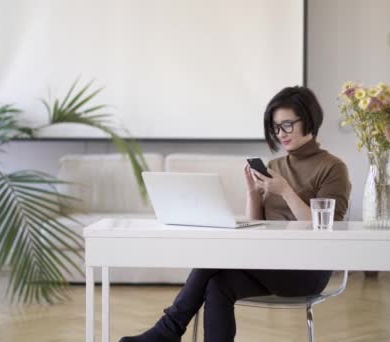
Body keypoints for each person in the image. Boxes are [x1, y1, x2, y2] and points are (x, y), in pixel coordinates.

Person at [119, 86, 352, 342]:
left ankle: (167, 330)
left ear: (309, 119)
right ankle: (168, 331)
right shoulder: (275, 166)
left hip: (306, 270)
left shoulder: (333, 168)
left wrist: (285, 191)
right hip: (270, 261)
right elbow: (258, 222)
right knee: (218, 284)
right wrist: (253, 192)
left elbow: (329, 228)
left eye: (287, 125)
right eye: (275, 128)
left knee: (214, 255)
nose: (280, 134)